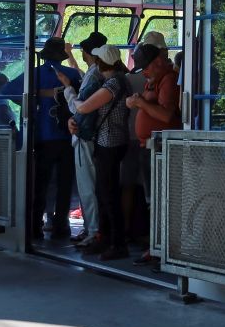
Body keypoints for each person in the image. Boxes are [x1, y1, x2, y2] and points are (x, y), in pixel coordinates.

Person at [58, 44, 131, 260]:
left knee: (109, 195)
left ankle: (116, 243)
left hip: (109, 143)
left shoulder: (112, 84)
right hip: (111, 142)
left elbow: (84, 108)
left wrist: (69, 91)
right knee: (104, 193)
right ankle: (105, 237)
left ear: (100, 63)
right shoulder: (119, 80)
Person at [3, 37, 81, 239]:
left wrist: (35, 96)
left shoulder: (33, 75)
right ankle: (61, 224)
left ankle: (35, 224)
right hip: (67, 136)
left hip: (41, 136)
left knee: (41, 182)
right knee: (65, 183)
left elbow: (7, 90)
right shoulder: (72, 75)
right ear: (62, 57)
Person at [126, 42, 182, 265]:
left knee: (161, 199)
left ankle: (164, 249)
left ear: (158, 62)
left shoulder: (168, 81)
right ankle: (156, 246)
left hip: (161, 149)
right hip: (149, 147)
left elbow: (167, 116)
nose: (145, 72)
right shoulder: (155, 80)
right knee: (153, 200)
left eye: (146, 67)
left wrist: (139, 102)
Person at [62, 32, 107, 249]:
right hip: (97, 136)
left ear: (89, 53)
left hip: (84, 135)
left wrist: (67, 91)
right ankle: (92, 228)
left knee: (87, 185)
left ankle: (94, 230)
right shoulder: (98, 73)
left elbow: (80, 105)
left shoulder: (95, 76)